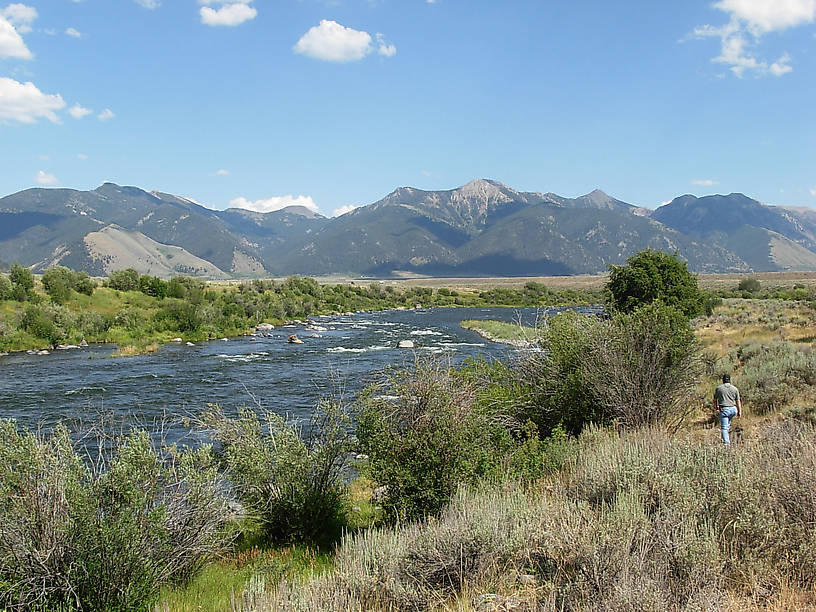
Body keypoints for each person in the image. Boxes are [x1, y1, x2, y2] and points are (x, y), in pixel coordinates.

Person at [713, 374, 741, 445]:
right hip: (733, 409)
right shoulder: (735, 389)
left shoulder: (719, 388)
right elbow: (738, 401)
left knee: (724, 428)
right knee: (727, 425)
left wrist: (716, 407)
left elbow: (715, 400)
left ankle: (726, 444)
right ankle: (724, 440)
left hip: (724, 409)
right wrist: (739, 411)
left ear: (723, 380)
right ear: (730, 380)